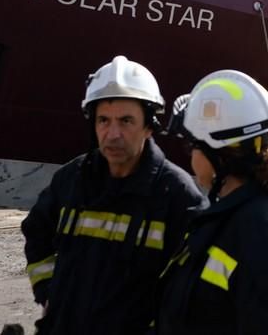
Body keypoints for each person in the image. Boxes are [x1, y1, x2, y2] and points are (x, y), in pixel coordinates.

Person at [21, 55, 205, 334]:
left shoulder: (178, 197)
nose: (112, 134)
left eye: (126, 121)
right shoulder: (71, 180)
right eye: (103, 121)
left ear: (149, 126)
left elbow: (190, 291)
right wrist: (48, 291)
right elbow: (36, 233)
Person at [157, 70, 268, 334]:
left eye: (192, 146)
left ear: (218, 154)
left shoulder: (262, 231)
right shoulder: (230, 217)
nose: (189, 156)